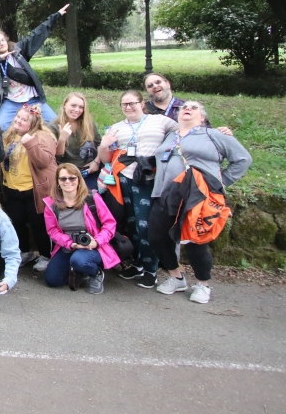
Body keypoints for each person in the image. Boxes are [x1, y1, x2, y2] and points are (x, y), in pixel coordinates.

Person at [149, 101, 252, 304]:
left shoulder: (213, 135)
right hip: (165, 195)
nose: (187, 109)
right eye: (184, 107)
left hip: (196, 197)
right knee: (156, 236)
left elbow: (243, 159)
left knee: (195, 241)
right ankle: (176, 277)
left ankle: (203, 284)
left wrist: (219, 182)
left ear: (202, 117)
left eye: (194, 107)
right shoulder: (171, 136)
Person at [98, 90, 178, 289]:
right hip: (123, 179)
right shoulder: (116, 128)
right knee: (131, 224)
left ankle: (151, 269)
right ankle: (138, 263)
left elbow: (184, 130)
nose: (128, 107)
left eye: (132, 103)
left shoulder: (160, 121)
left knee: (145, 226)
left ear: (142, 104)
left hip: (148, 179)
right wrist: (104, 145)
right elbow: (107, 159)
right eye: (124, 104)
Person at [0, 4, 69, 129]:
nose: (1, 43)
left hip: (33, 100)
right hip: (11, 102)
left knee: (56, 126)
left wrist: (55, 16)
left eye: (3, 40)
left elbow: (36, 34)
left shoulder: (19, 50)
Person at [42, 164, 120, 294]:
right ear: (57, 182)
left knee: (79, 260)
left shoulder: (92, 198)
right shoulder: (51, 204)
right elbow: (53, 231)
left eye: (72, 178)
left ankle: (96, 273)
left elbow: (109, 224)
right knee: (52, 280)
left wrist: (96, 241)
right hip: (68, 246)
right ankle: (78, 270)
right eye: (63, 179)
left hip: (93, 245)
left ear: (79, 180)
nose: (68, 182)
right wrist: (70, 244)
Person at [0, 104, 57, 272]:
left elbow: (44, 161)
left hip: (33, 189)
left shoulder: (43, 136)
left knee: (38, 224)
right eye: (18, 117)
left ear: (33, 123)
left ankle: (46, 255)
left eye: (24, 120)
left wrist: (30, 143)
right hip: (11, 187)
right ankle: (25, 252)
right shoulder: (10, 135)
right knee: (16, 223)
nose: (18, 121)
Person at [48, 92, 102, 190]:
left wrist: (97, 162)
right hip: (67, 174)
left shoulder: (87, 123)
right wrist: (62, 139)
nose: (77, 110)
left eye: (81, 107)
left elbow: (99, 144)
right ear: (64, 105)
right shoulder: (54, 126)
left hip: (89, 171)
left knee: (93, 199)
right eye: (73, 105)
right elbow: (56, 156)